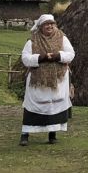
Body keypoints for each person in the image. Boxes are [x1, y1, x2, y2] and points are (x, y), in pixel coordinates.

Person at [19, 13, 74, 146]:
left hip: (58, 79)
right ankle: (25, 134)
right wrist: (41, 57)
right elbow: (25, 58)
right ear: (41, 26)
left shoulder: (62, 38)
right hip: (38, 80)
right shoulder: (32, 40)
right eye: (46, 24)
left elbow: (71, 54)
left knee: (54, 106)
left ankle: (52, 134)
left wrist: (57, 56)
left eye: (52, 24)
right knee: (34, 105)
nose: (50, 26)